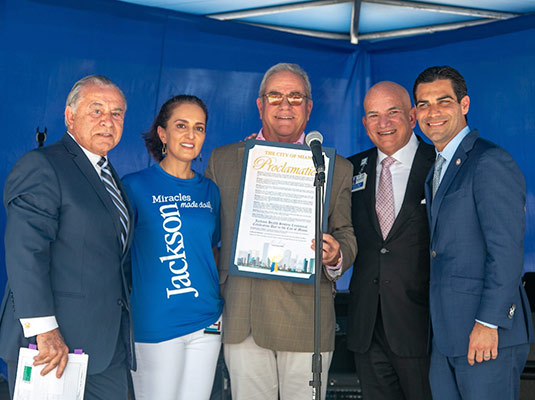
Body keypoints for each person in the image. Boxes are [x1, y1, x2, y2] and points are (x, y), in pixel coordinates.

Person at [205, 62, 357, 400]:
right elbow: (204, 233)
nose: (285, 105)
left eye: (295, 97)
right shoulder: (224, 160)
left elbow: (346, 233)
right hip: (242, 314)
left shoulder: (337, 168)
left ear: (309, 107)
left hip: (306, 322)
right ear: (260, 105)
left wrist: (336, 255)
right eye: (275, 96)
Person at [0, 75, 134, 399]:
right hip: (52, 345)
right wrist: (44, 331)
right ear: (70, 116)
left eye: (116, 113)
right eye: (97, 110)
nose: (108, 121)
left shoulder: (108, 174)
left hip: (105, 344)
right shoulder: (44, 165)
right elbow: (26, 251)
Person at [413, 65, 533, 399]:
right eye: (423, 104)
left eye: (443, 101)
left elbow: (506, 250)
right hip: (448, 335)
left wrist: (489, 323)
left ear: (464, 105)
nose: (432, 112)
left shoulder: (489, 162)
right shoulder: (437, 167)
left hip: (485, 335)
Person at [122, 95, 223, 400]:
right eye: (181, 126)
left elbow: (211, 250)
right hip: (155, 323)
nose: (191, 136)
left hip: (207, 321)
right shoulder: (134, 186)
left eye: (199, 128)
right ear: (163, 134)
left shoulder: (210, 190)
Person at [346, 81, 434, 400]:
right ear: (365, 123)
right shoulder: (350, 168)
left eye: (392, 112)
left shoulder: (439, 163)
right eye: (373, 115)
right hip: (367, 326)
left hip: (424, 327)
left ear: (412, 116)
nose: (383, 123)